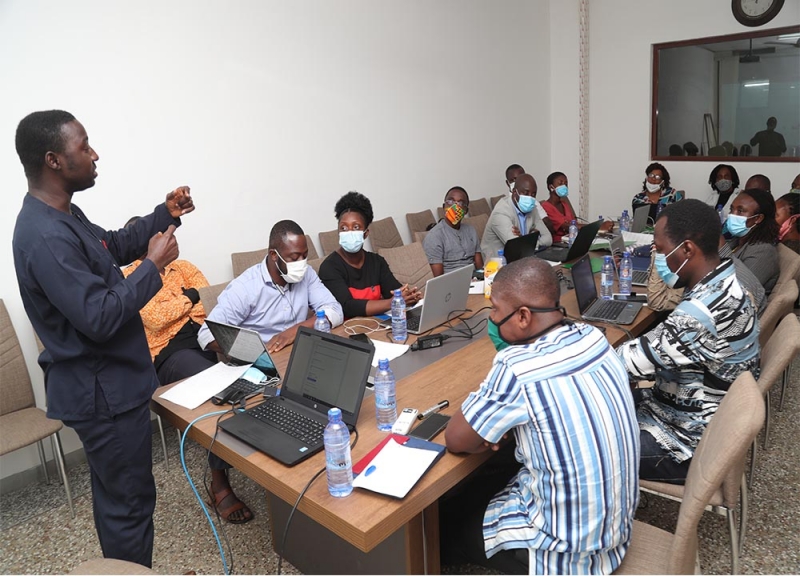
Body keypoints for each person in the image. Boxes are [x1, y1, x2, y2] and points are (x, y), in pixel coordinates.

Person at [12, 110, 193, 567]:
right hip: (102, 394)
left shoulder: (63, 215)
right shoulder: (45, 236)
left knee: (119, 498)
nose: (95, 155)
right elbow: (99, 316)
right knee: (129, 506)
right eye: (84, 146)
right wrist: (152, 266)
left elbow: (111, 245)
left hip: (107, 387)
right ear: (53, 160)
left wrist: (164, 215)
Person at [440, 257, 639, 574]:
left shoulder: (517, 366)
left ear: (522, 316)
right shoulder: (594, 336)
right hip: (614, 534)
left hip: (564, 555)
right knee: (496, 472)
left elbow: (455, 439)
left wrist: (490, 428)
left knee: (444, 526)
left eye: (495, 309)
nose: (492, 318)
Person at [617, 200, 759, 483]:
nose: (657, 256)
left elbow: (621, 364)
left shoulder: (701, 313)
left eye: (660, 249)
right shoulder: (725, 284)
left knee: (575, 445)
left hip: (686, 443)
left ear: (687, 250)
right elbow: (662, 347)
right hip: (692, 409)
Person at [122, 220, 252, 525]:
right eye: (155, 237)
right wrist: (188, 297)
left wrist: (186, 301)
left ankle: (265, 452)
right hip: (169, 353)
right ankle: (219, 483)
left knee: (258, 368)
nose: (165, 240)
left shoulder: (183, 267)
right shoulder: (129, 277)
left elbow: (207, 300)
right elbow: (155, 319)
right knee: (219, 389)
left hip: (204, 337)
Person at [198, 220, 343, 354]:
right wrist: (257, 354)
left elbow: (335, 310)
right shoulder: (245, 287)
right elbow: (206, 335)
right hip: (266, 358)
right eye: (294, 257)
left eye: (304, 256)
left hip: (302, 350)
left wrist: (294, 332)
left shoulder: (307, 274)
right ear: (274, 254)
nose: (301, 263)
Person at [318, 192, 421, 317]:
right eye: (343, 228)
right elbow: (347, 307)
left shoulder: (377, 262)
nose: (349, 232)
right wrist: (392, 303)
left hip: (379, 323)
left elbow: (393, 292)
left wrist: (408, 296)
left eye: (356, 227)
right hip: (349, 326)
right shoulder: (329, 267)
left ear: (366, 233)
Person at [719, 188, 780, 295]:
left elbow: (740, 291)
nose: (732, 215)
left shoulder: (764, 251)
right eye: (732, 209)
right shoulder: (737, 240)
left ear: (758, 218)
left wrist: (721, 246)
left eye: (740, 211)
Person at [482, 173, 552, 261]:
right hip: (497, 263)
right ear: (515, 192)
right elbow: (517, 248)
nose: (530, 198)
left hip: (523, 258)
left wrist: (532, 242)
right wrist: (530, 239)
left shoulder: (532, 208)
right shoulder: (501, 212)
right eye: (526, 193)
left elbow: (548, 238)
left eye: (533, 194)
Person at [422, 186, 483, 276]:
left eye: (461, 203)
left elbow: (480, 268)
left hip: (475, 278)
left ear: (466, 210)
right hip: (452, 281)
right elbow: (438, 279)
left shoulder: (471, 230)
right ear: (444, 207)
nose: (455, 207)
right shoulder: (434, 236)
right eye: (450, 201)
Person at [504, 163, 554, 235]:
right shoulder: (505, 206)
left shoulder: (530, 200)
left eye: (520, 178)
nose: (517, 182)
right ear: (507, 183)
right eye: (513, 180)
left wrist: (538, 232)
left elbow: (548, 224)